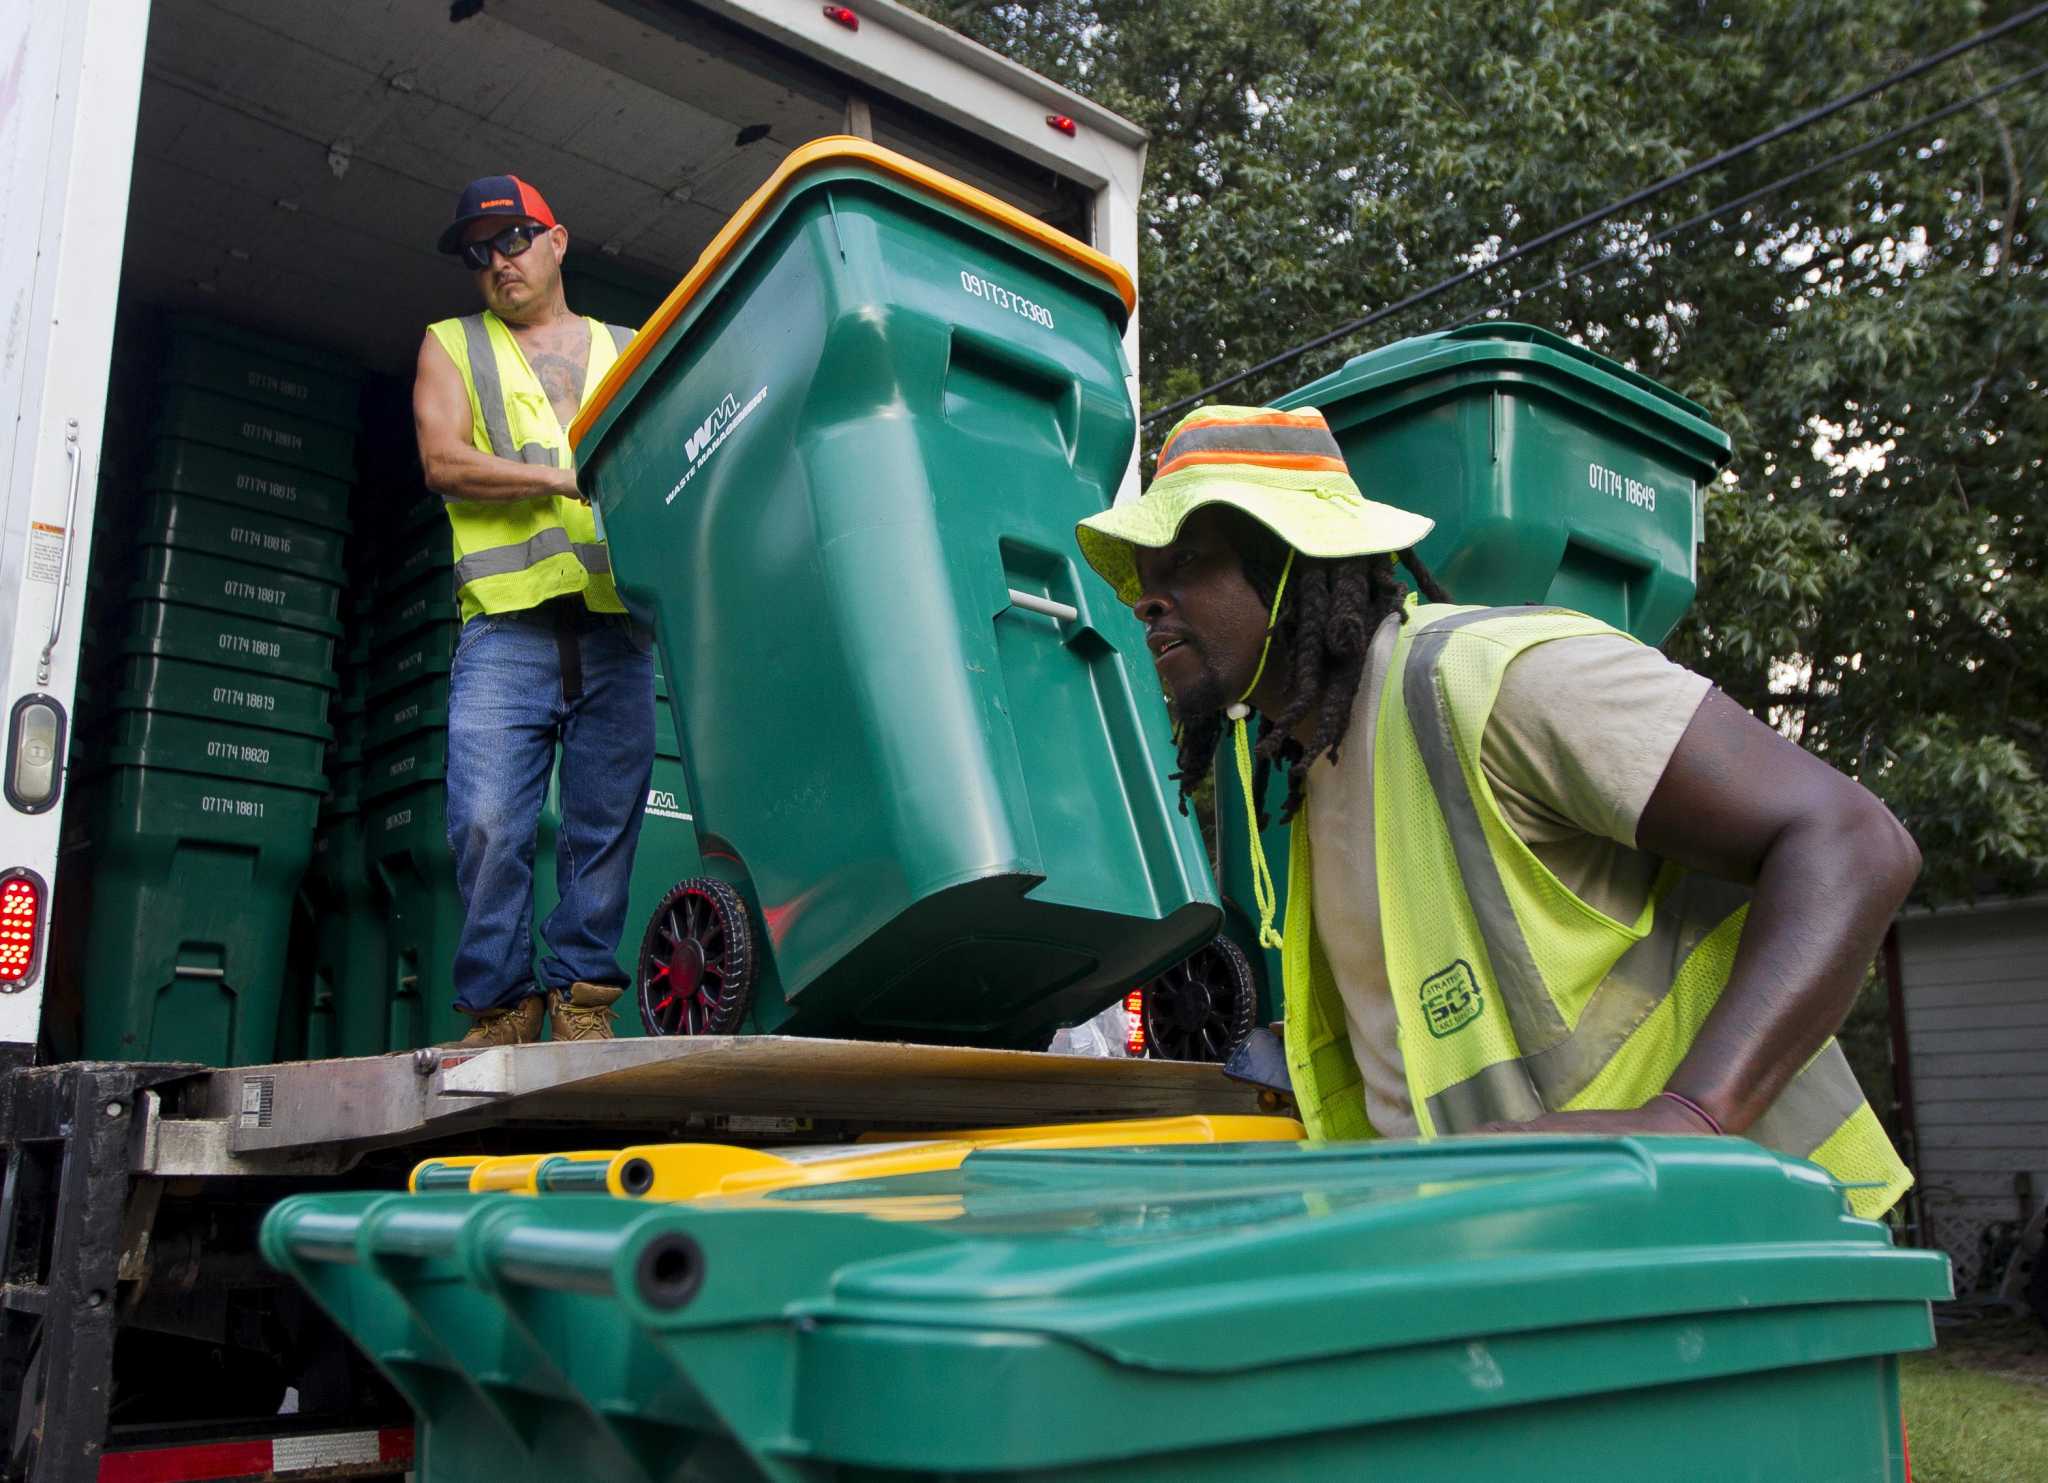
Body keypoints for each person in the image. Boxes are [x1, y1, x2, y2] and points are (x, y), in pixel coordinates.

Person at [1075, 404, 1918, 1217]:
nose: (1147, 601)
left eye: (1188, 562)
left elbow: (1853, 839)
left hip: (1736, 1252)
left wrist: (1690, 1118)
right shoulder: (1319, 773)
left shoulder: (1491, 679)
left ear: (1294, 557)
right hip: (1545, 1270)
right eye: (1144, 583)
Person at [412, 174, 654, 1046]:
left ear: (559, 240)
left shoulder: (629, 347)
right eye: (478, 251)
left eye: (513, 238)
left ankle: (581, 999)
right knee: (486, 824)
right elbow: (443, 460)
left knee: (603, 826)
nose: (497, 261)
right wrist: (561, 476)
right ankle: (502, 1006)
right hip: (505, 629)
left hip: (617, 625)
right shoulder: (451, 345)